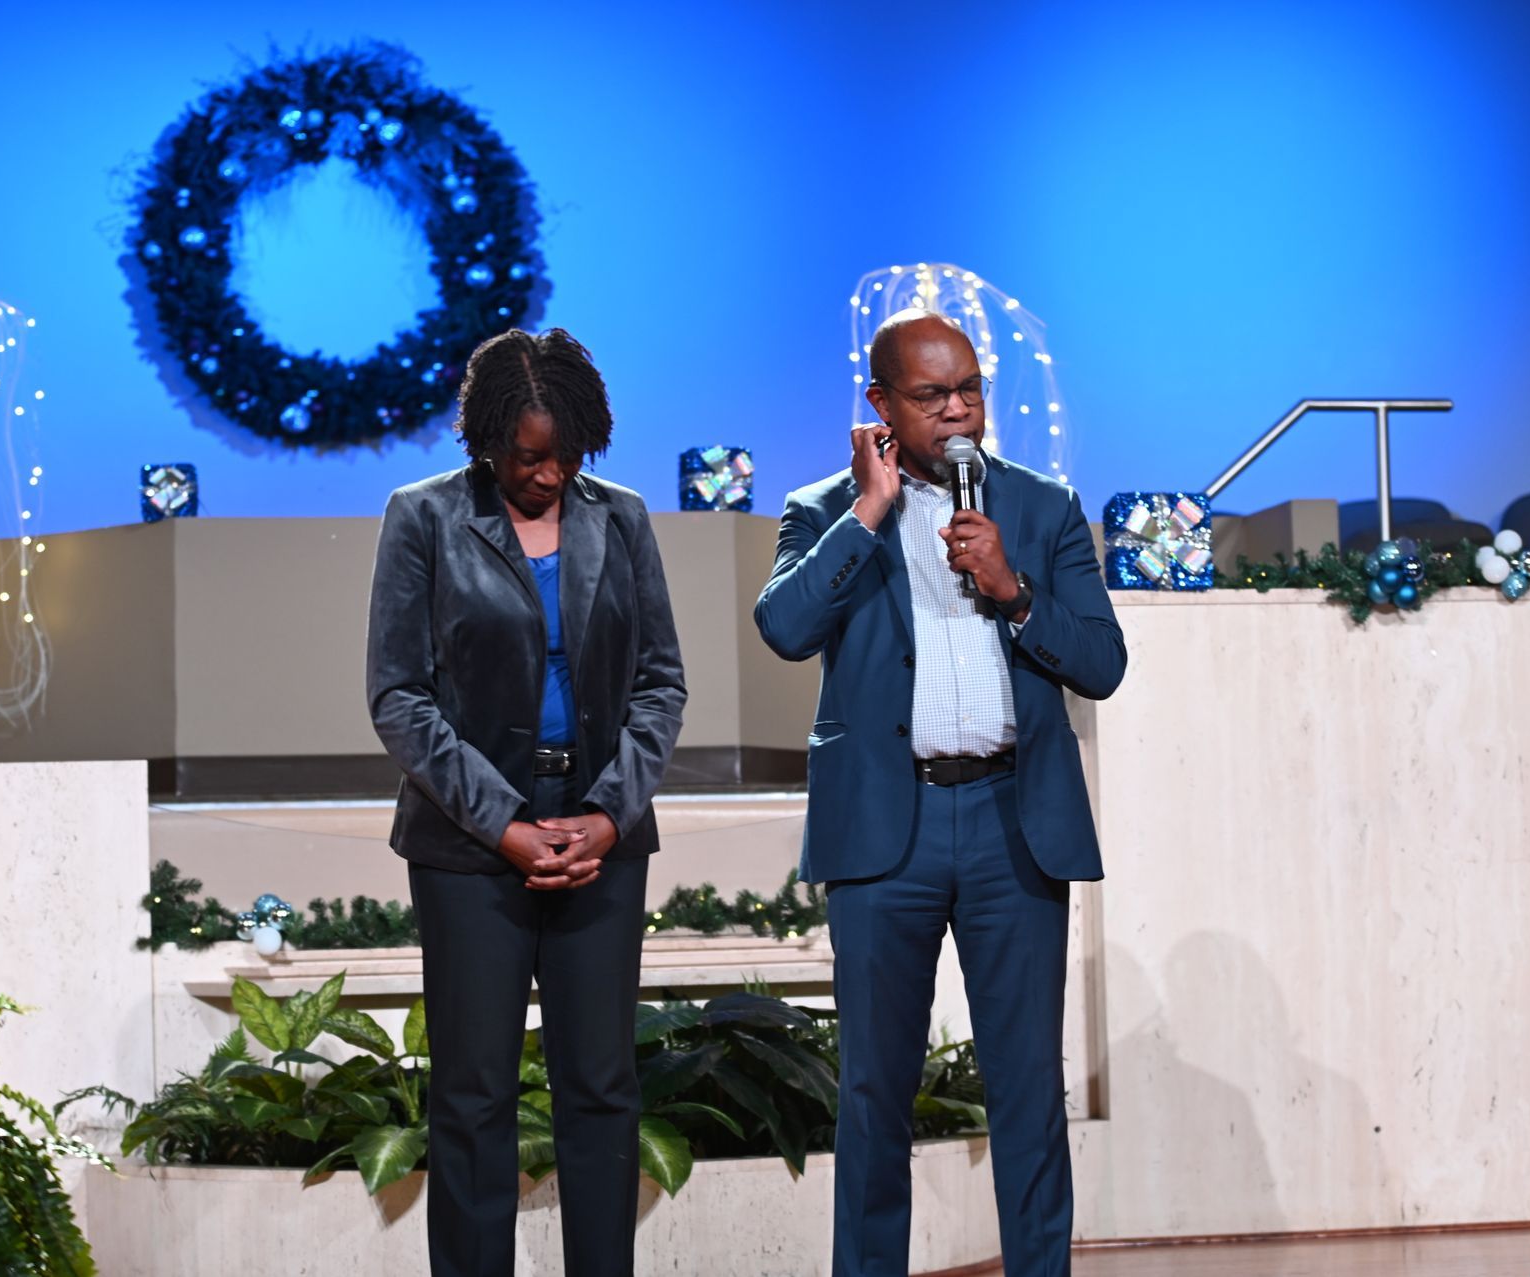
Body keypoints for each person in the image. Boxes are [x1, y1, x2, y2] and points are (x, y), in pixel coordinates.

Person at [754, 308, 1126, 1277]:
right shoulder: (825, 509)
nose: (958, 409)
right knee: (875, 1091)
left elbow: (1102, 662)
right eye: (932, 395)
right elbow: (786, 628)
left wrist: (1015, 592)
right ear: (880, 403)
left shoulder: (1042, 506)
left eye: (970, 389)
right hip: (889, 830)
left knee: (1027, 1090)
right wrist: (869, 511)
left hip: (1014, 823)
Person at [366, 327, 686, 1277]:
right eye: (527, 457)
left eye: (566, 454)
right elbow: (399, 695)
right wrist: (503, 823)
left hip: (600, 839)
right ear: (486, 439)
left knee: (602, 1088)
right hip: (469, 847)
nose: (548, 474)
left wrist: (608, 814)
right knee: (472, 1097)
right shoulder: (423, 516)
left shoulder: (621, 518)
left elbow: (660, 683)